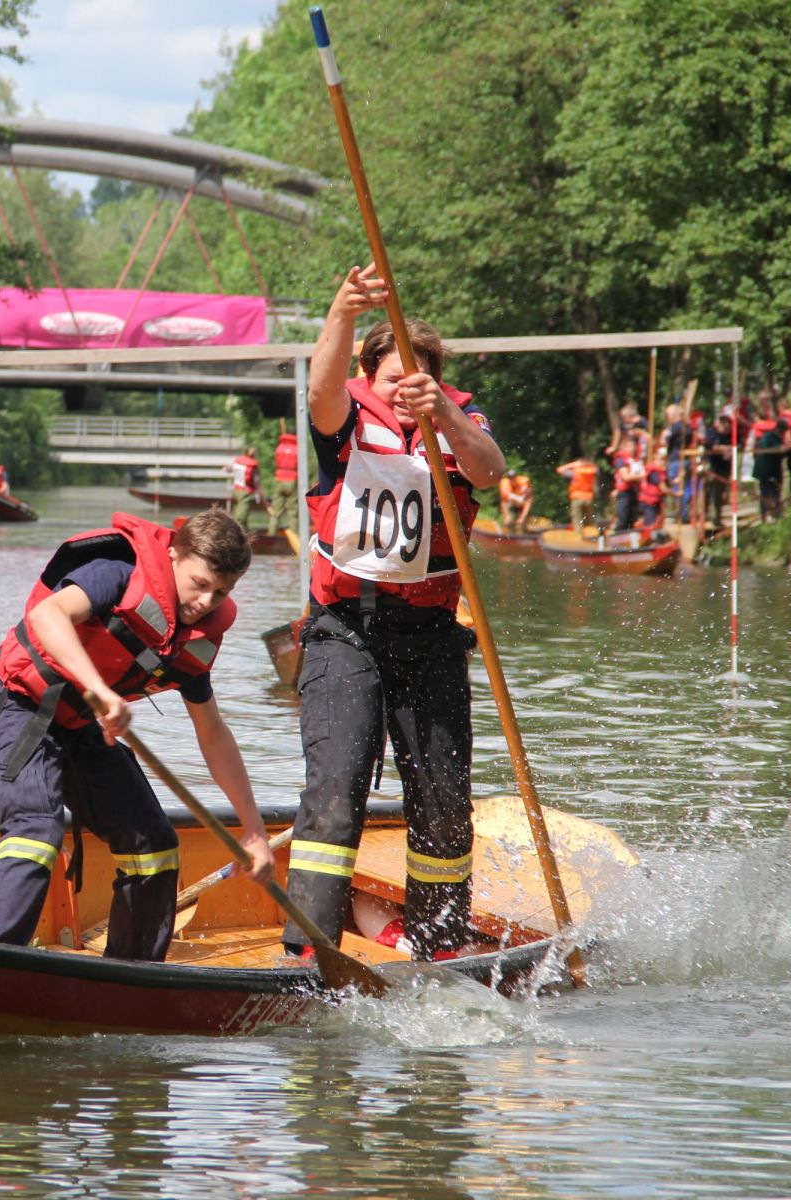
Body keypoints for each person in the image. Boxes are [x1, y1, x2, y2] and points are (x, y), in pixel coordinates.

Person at [281, 264, 504, 963]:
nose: (403, 392)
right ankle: (312, 948)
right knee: (337, 791)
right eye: (391, 381)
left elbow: (491, 472)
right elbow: (319, 394)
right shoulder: (342, 421)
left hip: (432, 634)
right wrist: (342, 309)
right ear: (368, 376)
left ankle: (439, 942)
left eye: (420, 382)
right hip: (347, 630)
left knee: (441, 802)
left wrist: (440, 414)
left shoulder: (458, 424)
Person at [0, 507, 277, 961]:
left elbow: (213, 734)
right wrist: (97, 689)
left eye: (221, 592)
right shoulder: (114, 574)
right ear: (173, 556)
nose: (206, 602)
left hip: (81, 725)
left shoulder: (195, 637)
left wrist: (254, 832)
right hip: (18, 704)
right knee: (36, 831)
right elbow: (47, 616)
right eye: (200, 584)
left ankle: (133, 973)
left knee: (154, 845)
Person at [557, 453, 598, 533]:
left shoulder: (575, 472)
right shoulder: (591, 470)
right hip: (589, 498)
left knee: (577, 518)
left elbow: (559, 470)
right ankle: (593, 534)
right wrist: (588, 463)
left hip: (577, 497)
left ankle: (578, 534)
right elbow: (596, 468)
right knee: (589, 518)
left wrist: (573, 464)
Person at [269, 429, 300, 532]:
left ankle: (271, 535)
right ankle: (295, 539)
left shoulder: (279, 448)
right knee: (292, 512)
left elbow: (276, 463)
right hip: (292, 480)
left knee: (275, 511)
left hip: (279, 479)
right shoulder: (297, 449)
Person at [229, 445, 262, 529]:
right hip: (245, 493)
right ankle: (238, 534)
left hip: (236, 491)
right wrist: (258, 495)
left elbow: (231, 469)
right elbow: (256, 481)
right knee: (240, 517)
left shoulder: (238, 461)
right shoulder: (253, 465)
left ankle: (245, 536)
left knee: (240, 515)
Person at [497, 469, 533, 533]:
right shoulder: (505, 483)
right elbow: (504, 501)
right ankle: (507, 532)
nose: (512, 480)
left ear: (516, 477)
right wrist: (507, 516)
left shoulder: (524, 483)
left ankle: (524, 533)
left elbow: (528, 501)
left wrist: (522, 517)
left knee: (522, 525)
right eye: (510, 478)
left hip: (522, 505)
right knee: (508, 522)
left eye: (513, 478)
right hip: (512, 504)